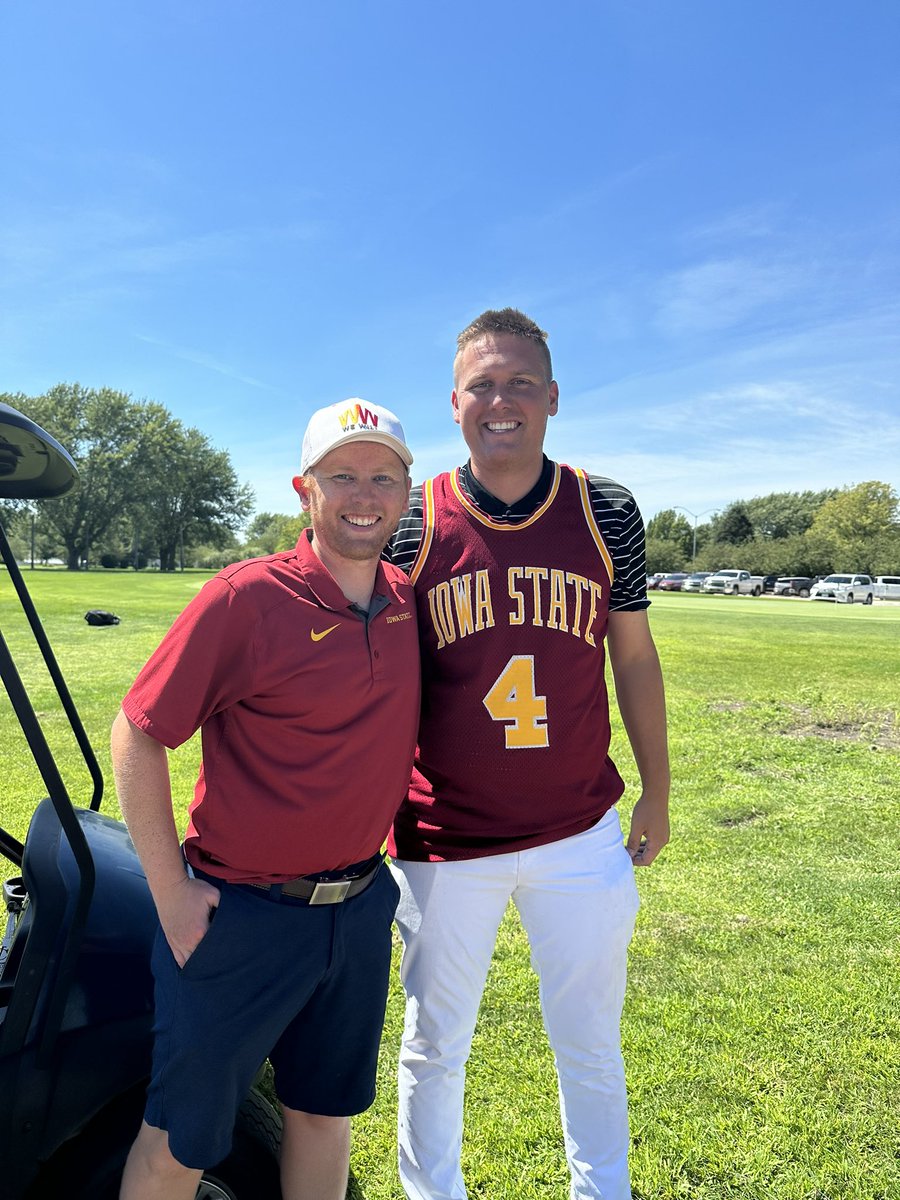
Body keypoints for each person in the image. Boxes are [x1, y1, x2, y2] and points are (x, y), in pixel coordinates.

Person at [386, 309, 670, 1200]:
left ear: (551, 397)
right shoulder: (414, 517)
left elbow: (632, 653)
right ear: (455, 402)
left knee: (589, 1036)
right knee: (435, 1043)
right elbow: (375, 675)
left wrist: (657, 790)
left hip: (577, 830)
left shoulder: (605, 506)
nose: (499, 400)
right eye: (481, 384)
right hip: (443, 837)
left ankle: (604, 1189)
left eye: (518, 383)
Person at [111, 399, 420, 1200]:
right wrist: (170, 893)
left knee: (323, 1117)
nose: (365, 493)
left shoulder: (406, 600)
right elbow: (138, 733)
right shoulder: (244, 598)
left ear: (405, 491)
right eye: (342, 475)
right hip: (241, 915)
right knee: (180, 1143)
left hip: (356, 909)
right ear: (304, 489)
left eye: (383, 476)